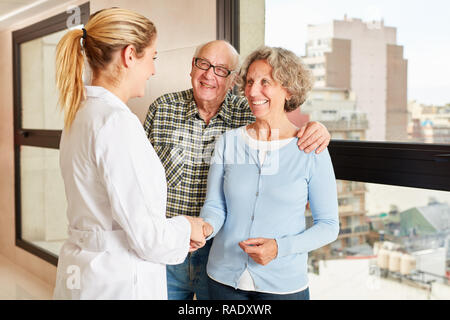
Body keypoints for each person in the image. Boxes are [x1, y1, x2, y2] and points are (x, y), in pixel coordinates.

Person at [143, 40, 332, 300]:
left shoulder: (252, 114)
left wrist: (319, 127)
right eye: (203, 64)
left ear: (232, 81)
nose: (209, 74)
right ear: (191, 67)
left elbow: (279, 117)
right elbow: (141, 181)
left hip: (233, 261)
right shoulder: (163, 110)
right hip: (173, 250)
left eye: (221, 69)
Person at [52, 8, 205, 300]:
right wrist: (188, 227)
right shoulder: (116, 122)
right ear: (130, 55)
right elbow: (148, 238)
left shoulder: (81, 113)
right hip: (118, 281)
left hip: (86, 274)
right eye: (152, 58)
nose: (153, 70)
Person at [200, 46, 340, 300]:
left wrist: (279, 248)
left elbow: (329, 226)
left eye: (266, 82)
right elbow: (215, 205)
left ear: (289, 89)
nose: (253, 91)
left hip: (284, 287)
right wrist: (205, 228)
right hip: (221, 280)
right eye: (250, 81)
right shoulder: (228, 142)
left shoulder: (311, 148)